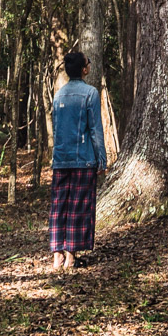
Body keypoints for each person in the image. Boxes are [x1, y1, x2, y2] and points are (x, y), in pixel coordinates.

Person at [48, 49, 106, 272]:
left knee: (59, 206)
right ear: (83, 69)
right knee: (78, 207)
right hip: (83, 159)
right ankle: (70, 256)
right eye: (88, 63)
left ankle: (57, 257)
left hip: (61, 159)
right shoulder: (90, 93)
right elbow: (95, 129)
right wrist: (102, 159)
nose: (89, 65)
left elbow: (57, 129)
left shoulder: (59, 94)